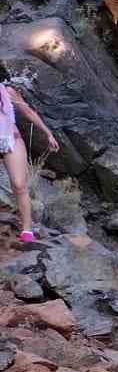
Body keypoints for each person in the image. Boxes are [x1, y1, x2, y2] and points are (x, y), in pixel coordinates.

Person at [0, 74, 59, 246]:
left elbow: (27, 112)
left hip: (11, 138)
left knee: (19, 184)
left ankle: (27, 229)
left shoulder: (7, 90)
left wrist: (48, 133)